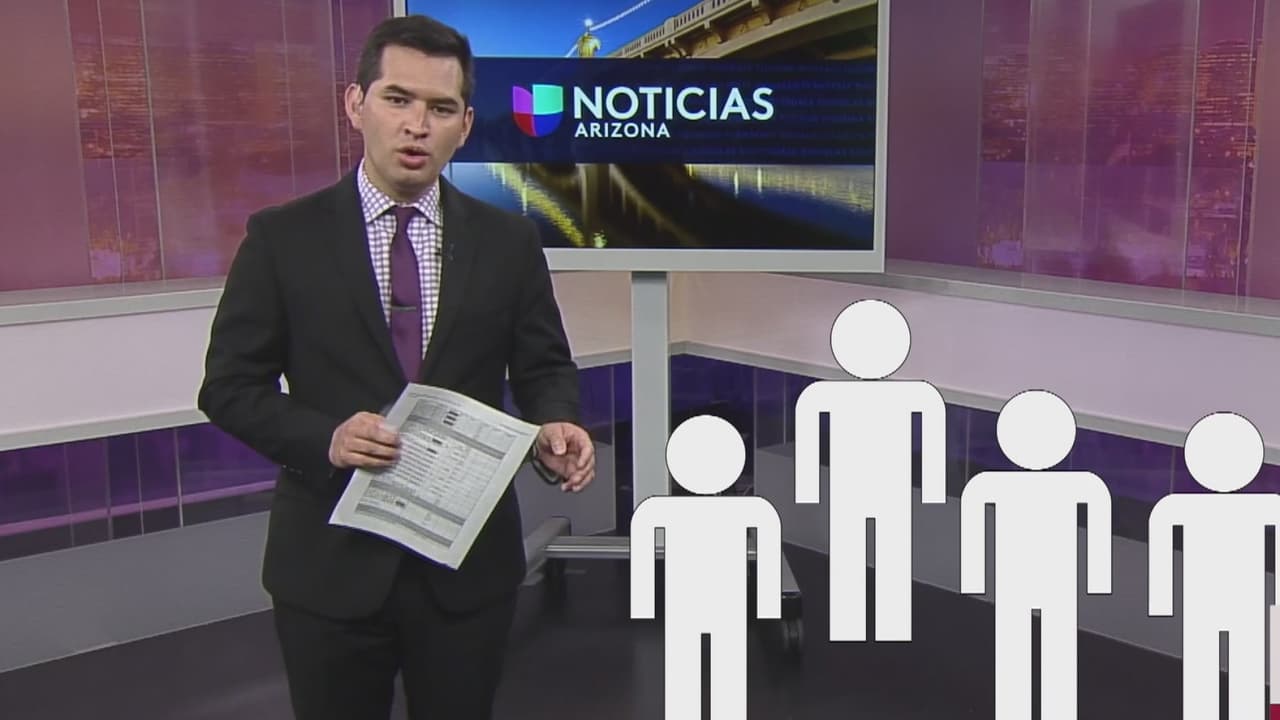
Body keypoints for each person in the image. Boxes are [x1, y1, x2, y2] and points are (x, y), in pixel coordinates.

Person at [196, 14, 595, 720]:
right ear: (356, 104)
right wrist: (326, 438)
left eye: (440, 108)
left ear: (464, 125)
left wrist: (555, 422)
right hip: (329, 565)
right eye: (397, 99)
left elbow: (543, 365)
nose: (417, 125)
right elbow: (229, 387)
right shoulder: (282, 238)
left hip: (466, 567)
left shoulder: (508, 241)